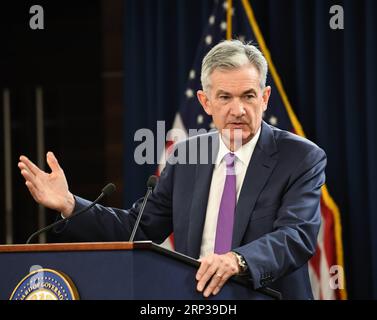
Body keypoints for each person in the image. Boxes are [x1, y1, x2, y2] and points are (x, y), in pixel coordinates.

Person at [18, 40, 326, 299]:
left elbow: (296, 235)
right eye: (225, 97)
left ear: (265, 97)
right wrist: (71, 204)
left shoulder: (300, 157)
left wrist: (237, 260)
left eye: (248, 96)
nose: (238, 109)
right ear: (206, 102)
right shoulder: (187, 155)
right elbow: (138, 228)